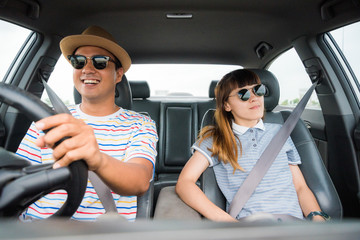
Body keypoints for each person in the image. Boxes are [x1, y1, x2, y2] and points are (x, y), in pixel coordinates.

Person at [16, 26, 158, 221]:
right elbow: (18, 178)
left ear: (118, 74)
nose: (87, 69)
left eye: (100, 62)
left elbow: (140, 180)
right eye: (79, 61)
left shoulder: (140, 124)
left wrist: (97, 159)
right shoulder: (47, 118)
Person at [176, 69, 327, 222]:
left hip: (294, 225)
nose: (254, 98)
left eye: (258, 90)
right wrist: (230, 224)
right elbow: (185, 183)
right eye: (243, 94)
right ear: (227, 105)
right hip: (251, 227)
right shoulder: (216, 139)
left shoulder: (280, 133)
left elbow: (300, 187)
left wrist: (317, 217)